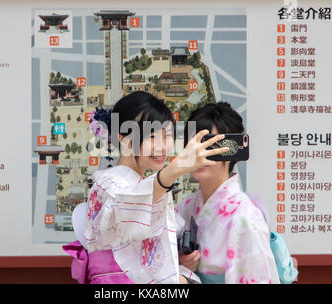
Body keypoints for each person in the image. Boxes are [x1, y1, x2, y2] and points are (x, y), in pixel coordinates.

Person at [63, 92, 229, 284]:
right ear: (124, 139)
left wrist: (176, 261)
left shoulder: (138, 183)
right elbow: (131, 203)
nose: (162, 146)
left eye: (166, 136)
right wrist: (175, 169)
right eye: (151, 136)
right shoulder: (111, 183)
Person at [176, 102, 281, 284]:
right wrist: (180, 262)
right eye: (195, 145)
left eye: (212, 145)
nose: (201, 154)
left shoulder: (245, 217)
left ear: (231, 150)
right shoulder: (186, 206)